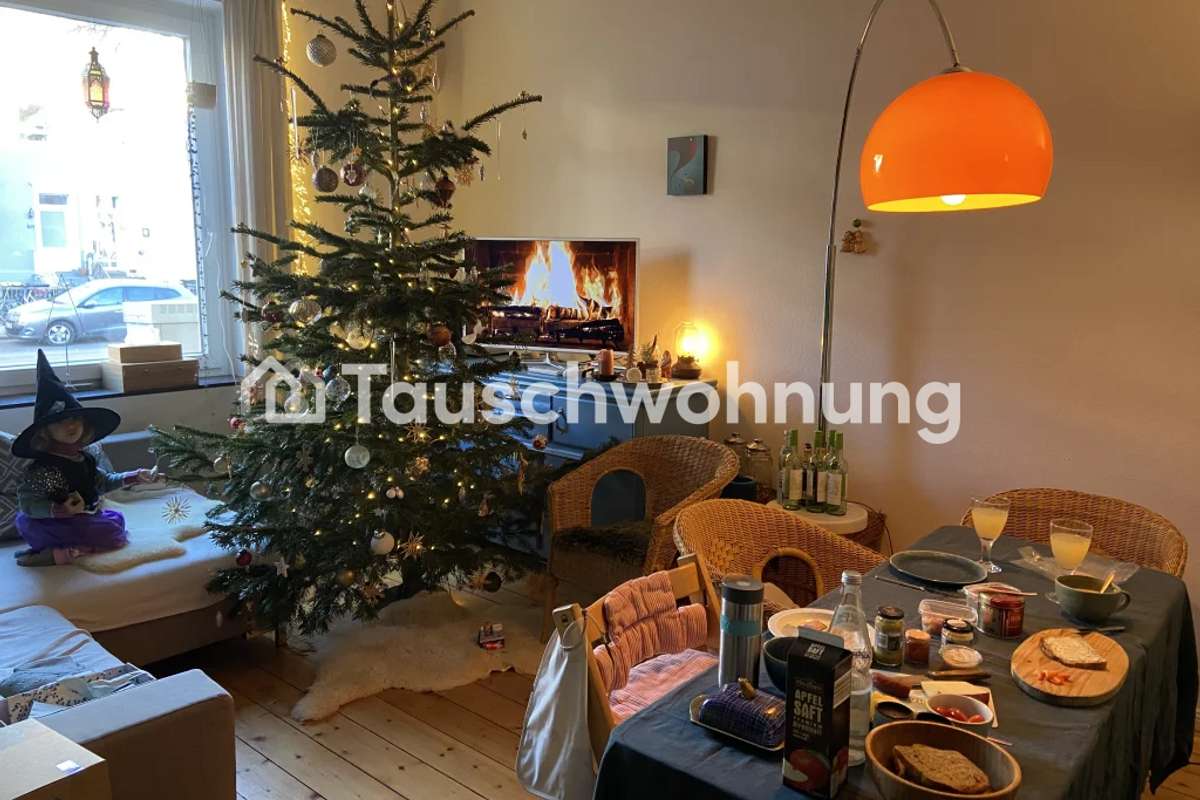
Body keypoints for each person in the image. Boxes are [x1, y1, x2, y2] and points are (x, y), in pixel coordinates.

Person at [11, 350, 157, 566]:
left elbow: (102, 482)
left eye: (75, 419)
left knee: (115, 523)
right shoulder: (43, 468)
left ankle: (68, 550)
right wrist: (55, 510)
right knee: (29, 524)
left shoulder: (85, 459)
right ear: (45, 432)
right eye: (60, 421)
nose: (70, 425)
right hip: (54, 523)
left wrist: (132, 476)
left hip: (84, 519)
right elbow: (27, 502)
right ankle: (57, 554)